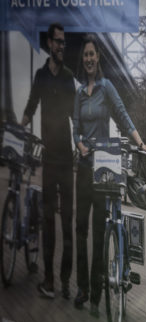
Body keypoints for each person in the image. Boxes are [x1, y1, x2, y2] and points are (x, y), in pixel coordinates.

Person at [72, 34, 146, 318]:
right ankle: (82, 288)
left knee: (98, 233)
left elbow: (123, 116)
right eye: (85, 56)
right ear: (83, 60)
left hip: (103, 169)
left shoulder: (106, 88)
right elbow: (76, 128)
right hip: (83, 167)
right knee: (80, 229)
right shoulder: (80, 93)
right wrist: (80, 145)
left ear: (98, 57)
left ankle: (95, 294)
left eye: (92, 54)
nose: (89, 59)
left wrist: (141, 144)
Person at [21, 23, 75, 300]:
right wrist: (21, 128)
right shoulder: (41, 75)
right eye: (57, 41)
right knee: (48, 222)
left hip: (67, 158)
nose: (61, 46)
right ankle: (49, 280)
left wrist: (81, 141)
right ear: (49, 44)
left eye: (64, 42)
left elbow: (74, 114)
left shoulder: (68, 76)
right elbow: (31, 106)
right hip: (50, 159)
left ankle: (65, 281)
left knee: (67, 222)